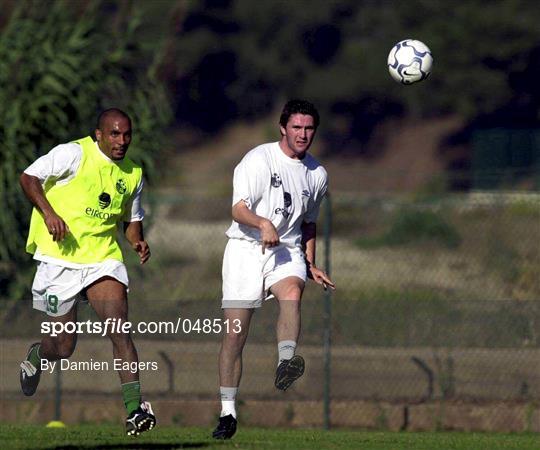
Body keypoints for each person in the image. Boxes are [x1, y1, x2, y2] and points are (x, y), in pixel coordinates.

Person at [18, 108, 156, 436]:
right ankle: (38, 354)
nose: (122, 141)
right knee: (63, 347)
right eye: (114, 134)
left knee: (119, 329)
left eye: (126, 135)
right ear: (99, 134)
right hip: (57, 259)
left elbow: (131, 223)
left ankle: (135, 410)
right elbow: (28, 178)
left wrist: (137, 242)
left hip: (102, 259)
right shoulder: (73, 154)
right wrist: (49, 214)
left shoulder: (133, 173)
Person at [212, 99, 335, 439]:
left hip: (285, 250)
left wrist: (310, 263)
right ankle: (227, 412)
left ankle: (285, 363)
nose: (303, 134)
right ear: (283, 127)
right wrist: (262, 223)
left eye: (309, 128)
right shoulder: (258, 159)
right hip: (245, 250)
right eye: (296, 127)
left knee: (293, 290)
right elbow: (238, 209)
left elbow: (309, 223)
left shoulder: (317, 174)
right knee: (235, 335)